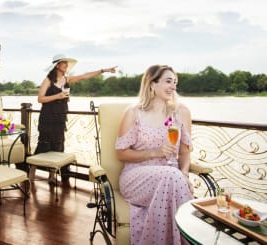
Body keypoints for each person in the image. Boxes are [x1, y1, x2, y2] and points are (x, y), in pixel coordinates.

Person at [115, 64, 193, 245]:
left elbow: (185, 152)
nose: (173, 86)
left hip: (173, 177)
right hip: (136, 176)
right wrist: (154, 152)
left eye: (175, 82)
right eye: (168, 81)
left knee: (173, 176)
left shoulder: (181, 112)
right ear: (152, 84)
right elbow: (121, 154)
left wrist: (185, 174)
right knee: (172, 176)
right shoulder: (133, 112)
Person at [30, 54, 116, 184]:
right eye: (64, 63)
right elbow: (40, 99)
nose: (66, 65)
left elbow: (84, 76)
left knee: (57, 146)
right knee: (43, 144)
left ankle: (52, 176)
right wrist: (58, 96)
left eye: (66, 63)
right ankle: (32, 172)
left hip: (60, 117)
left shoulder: (66, 79)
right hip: (47, 118)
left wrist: (103, 70)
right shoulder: (48, 80)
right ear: (57, 65)